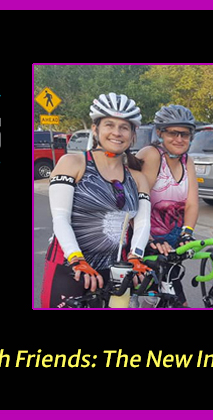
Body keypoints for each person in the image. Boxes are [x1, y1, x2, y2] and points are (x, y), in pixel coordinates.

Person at [41, 93, 152, 308]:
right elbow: (60, 218)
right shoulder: (73, 163)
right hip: (69, 267)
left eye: (124, 127)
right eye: (109, 125)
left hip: (115, 270)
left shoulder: (138, 179)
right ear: (95, 129)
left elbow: (143, 223)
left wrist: (136, 256)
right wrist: (77, 260)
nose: (116, 133)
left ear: (132, 135)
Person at [134, 105, 200, 306]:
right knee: (146, 301)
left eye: (185, 134)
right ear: (160, 132)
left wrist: (186, 233)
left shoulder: (186, 160)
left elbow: (192, 203)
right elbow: (135, 203)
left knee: (176, 301)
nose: (179, 139)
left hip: (170, 247)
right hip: (146, 243)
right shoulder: (152, 155)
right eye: (173, 133)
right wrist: (149, 240)